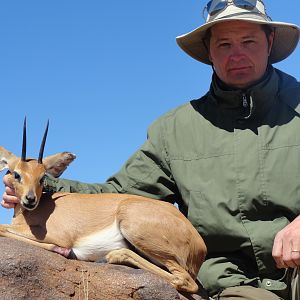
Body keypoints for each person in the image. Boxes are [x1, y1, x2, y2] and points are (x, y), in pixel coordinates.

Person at [2, 1, 300, 299]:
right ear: (209, 51)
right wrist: (39, 184)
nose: (237, 54)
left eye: (249, 41)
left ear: (270, 41)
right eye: (224, 44)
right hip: (234, 284)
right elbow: (118, 194)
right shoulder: (174, 130)